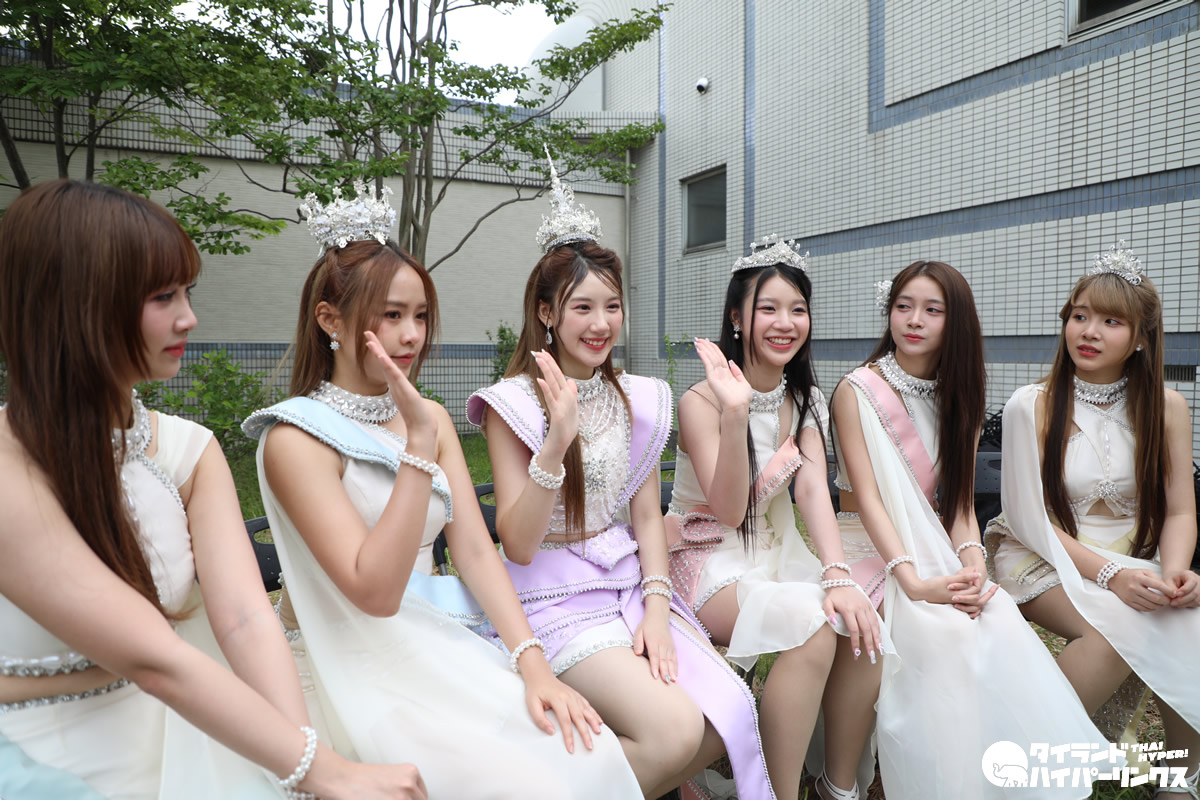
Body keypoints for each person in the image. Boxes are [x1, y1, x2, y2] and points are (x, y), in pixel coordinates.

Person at [0, 179, 425, 800]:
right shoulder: (9, 467)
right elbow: (155, 659)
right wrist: (322, 771)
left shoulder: (189, 450)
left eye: (187, 292)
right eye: (162, 296)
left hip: (189, 726)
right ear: (76, 303)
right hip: (40, 748)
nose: (189, 318)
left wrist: (304, 766)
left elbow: (247, 619)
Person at [243, 181, 640, 799]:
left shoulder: (426, 416)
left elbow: (477, 553)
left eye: (420, 315)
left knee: (580, 755)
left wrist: (535, 666)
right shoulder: (295, 438)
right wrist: (418, 449)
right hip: (344, 660)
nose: (412, 335)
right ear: (329, 320)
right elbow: (374, 592)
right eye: (391, 315)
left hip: (435, 639)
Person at [467, 154, 773, 799]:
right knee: (676, 734)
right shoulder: (511, 404)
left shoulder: (640, 397)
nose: (601, 323)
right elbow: (517, 544)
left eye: (612, 305)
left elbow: (645, 518)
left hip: (629, 590)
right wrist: (557, 440)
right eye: (582, 307)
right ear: (547, 313)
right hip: (549, 599)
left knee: (727, 717)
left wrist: (657, 611)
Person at [827, 260, 1117, 799]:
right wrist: (913, 583)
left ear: (954, 320)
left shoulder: (957, 393)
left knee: (993, 621)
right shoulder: (856, 390)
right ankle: (842, 785)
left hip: (930, 548)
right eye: (903, 306)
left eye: (931, 310)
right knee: (935, 634)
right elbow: (867, 499)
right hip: (864, 547)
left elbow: (960, 503)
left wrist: (974, 565)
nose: (914, 320)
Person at [665, 235, 887, 800]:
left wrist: (837, 574)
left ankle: (837, 785)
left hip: (774, 553)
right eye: (769, 308)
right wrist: (736, 412)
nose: (785, 323)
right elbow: (729, 509)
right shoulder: (699, 402)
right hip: (704, 560)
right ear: (736, 318)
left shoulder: (804, 398)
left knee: (860, 616)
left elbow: (812, 491)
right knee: (812, 623)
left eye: (798, 309)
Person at [986, 241, 1199, 798]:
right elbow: (1029, 518)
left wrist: (1175, 571)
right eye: (1079, 316)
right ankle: (1026, 761)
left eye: (1110, 321)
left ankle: (1181, 777)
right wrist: (1111, 575)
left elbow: (1180, 509)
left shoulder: (1168, 407)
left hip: (1131, 555)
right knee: (1111, 634)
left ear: (1141, 338)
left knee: (1187, 619)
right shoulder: (1031, 404)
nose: (1089, 331)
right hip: (1040, 550)